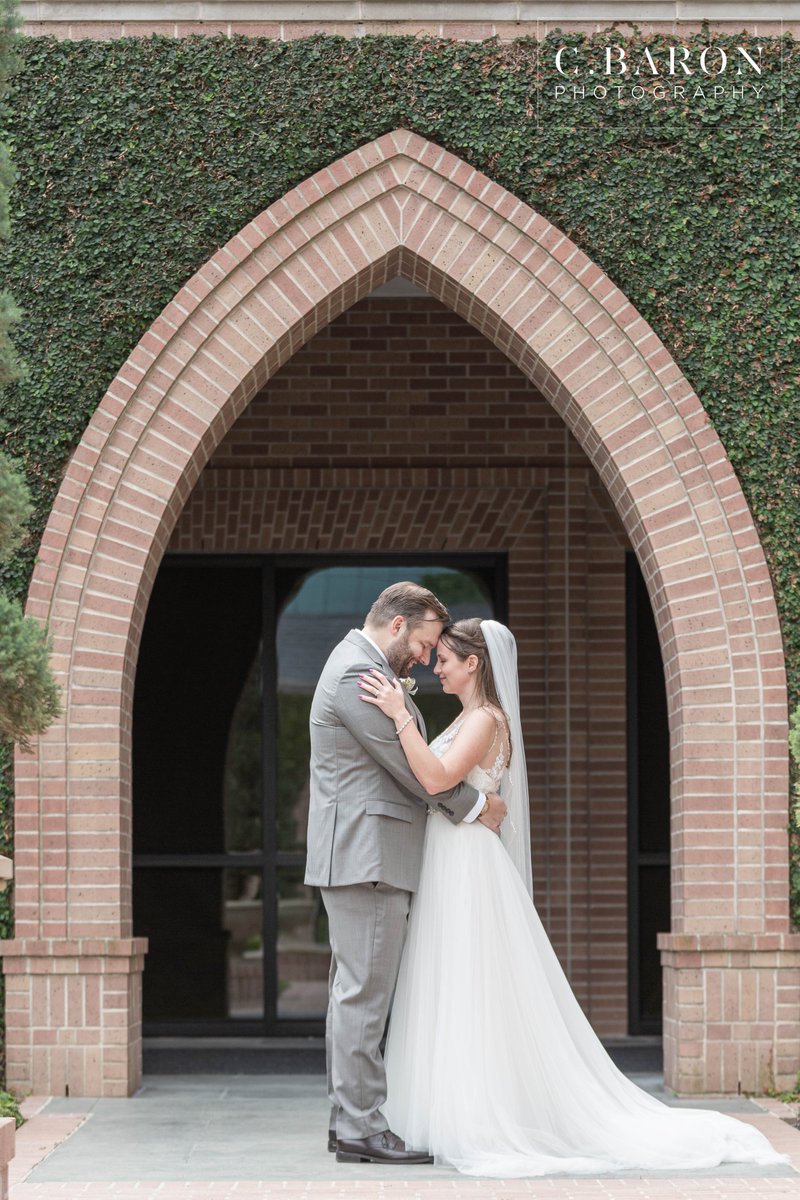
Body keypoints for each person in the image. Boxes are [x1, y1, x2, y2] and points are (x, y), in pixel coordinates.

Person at [358, 617, 788, 1177]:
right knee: (451, 980)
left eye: (444, 659)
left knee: (473, 983)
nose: (435, 667)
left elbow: (437, 779)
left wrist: (398, 717)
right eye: (434, 657)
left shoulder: (487, 719)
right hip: (451, 859)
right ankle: (449, 1106)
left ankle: (482, 1115)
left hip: (468, 866)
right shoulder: (468, 717)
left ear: (474, 664)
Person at [304, 583, 507, 1166]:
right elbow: (413, 772)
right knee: (364, 995)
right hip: (366, 854)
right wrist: (478, 807)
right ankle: (361, 1127)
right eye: (422, 644)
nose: (424, 658)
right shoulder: (355, 675)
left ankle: (349, 1121)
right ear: (397, 626)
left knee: (356, 993)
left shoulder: (364, 668)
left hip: (369, 853)